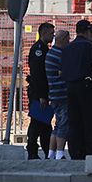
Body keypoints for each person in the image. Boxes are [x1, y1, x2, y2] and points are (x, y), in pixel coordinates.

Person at [61, 20, 92, 160]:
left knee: (74, 120)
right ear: (87, 31)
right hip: (85, 85)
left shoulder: (67, 47)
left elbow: (62, 70)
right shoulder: (90, 46)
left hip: (70, 87)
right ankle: (89, 150)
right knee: (89, 120)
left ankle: (75, 151)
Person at [26, 22, 55, 159]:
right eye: (51, 33)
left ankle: (46, 152)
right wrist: (42, 96)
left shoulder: (44, 48)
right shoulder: (39, 49)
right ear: (44, 33)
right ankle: (32, 151)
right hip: (38, 93)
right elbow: (38, 75)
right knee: (37, 123)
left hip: (42, 93)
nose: (52, 36)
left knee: (44, 124)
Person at [46, 30, 70, 160]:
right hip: (62, 93)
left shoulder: (51, 53)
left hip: (53, 94)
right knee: (63, 124)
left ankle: (51, 152)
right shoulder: (61, 54)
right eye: (68, 39)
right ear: (64, 39)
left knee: (57, 124)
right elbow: (64, 73)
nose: (69, 41)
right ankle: (60, 153)